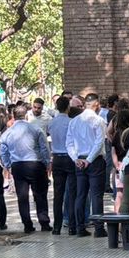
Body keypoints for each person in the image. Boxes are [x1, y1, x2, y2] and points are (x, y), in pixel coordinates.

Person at [0, 102, 52, 233]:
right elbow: (44, 148)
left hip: (18, 166)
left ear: (14, 116)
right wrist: (47, 163)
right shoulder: (36, 129)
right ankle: (44, 222)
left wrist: (8, 166)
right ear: (26, 116)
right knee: (40, 195)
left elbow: (3, 152)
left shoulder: (7, 133)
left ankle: (27, 225)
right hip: (35, 164)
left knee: (22, 197)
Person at [68, 93, 107, 233]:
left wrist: (76, 159)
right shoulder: (99, 121)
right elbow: (99, 142)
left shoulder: (74, 121)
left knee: (81, 194)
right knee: (97, 195)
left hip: (79, 160)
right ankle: (99, 227)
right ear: (96, 105)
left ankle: (80, 227)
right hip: (95, 161)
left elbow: (69, 143)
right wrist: (89, 160)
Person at [48, 96, 76, 234]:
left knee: (58, 194)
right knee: (71, 193)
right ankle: (72, 225)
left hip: (57, 158)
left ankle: (56, 227)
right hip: (70, 158)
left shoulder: (51, 123)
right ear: (68, 107)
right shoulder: (71, 122)